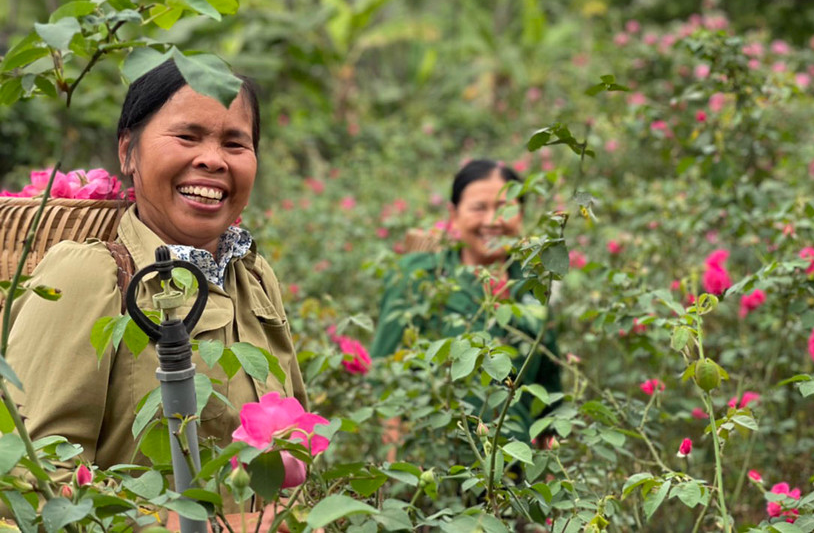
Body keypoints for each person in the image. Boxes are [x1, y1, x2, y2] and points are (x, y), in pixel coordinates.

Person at [7, 59, 308, 475]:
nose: (213, 160)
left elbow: (298, 440)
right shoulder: (92, 277)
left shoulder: (253, 276)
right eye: (188, 136)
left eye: (235, 144)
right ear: (127, 151)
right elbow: (29, 477)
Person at [371, 159, 562, 442]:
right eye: (478, 208)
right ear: (454, 213)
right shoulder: (418, 276)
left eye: (504, 208)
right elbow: (384, 378)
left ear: (520, 214)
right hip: (435, 462)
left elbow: (548, 392)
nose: (492, 221)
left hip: (518, 469)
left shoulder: (533, 286)